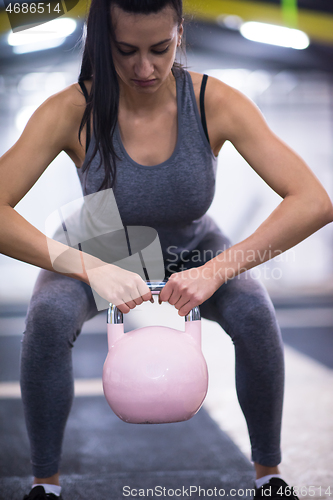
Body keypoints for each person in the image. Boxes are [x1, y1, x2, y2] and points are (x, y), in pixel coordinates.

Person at [0, 0, 332, 499]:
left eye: (160, 48)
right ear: (101, 42)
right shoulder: (71, 109)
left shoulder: (214, 101)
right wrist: (90, 269)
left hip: (196, 246)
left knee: (254, 313)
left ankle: (269, 474)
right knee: (47, 319)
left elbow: (314, 200)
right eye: (125, 50)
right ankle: (45, 484)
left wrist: (217, 270)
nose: (144, 68)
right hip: (97, 245)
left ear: (180, 32)